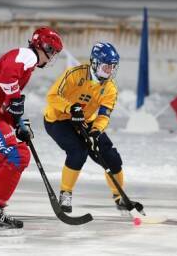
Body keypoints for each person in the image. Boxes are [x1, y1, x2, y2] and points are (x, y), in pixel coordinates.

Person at [0, 27, 63, 235]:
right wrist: (15, 101)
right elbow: (7, 78)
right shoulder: (26, 56)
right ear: (44, 47)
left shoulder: (26, 62)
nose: (51, 57)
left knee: (0, 162)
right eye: (52, 52)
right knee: (17, 155)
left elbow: (6, 99)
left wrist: (18, 123)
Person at [44, 42, 140, 214]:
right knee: (78, 152)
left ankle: (120, 197)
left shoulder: (110, 89)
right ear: (94, 63)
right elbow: (52, 96)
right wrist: (71, 108)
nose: (110, 71)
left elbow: (104, 115)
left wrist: (95, 131)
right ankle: (65, 194)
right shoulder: (74, 74)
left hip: (86, 121)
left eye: (113, 67)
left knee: (111, 157)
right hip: (58, 119)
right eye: (106, 66)